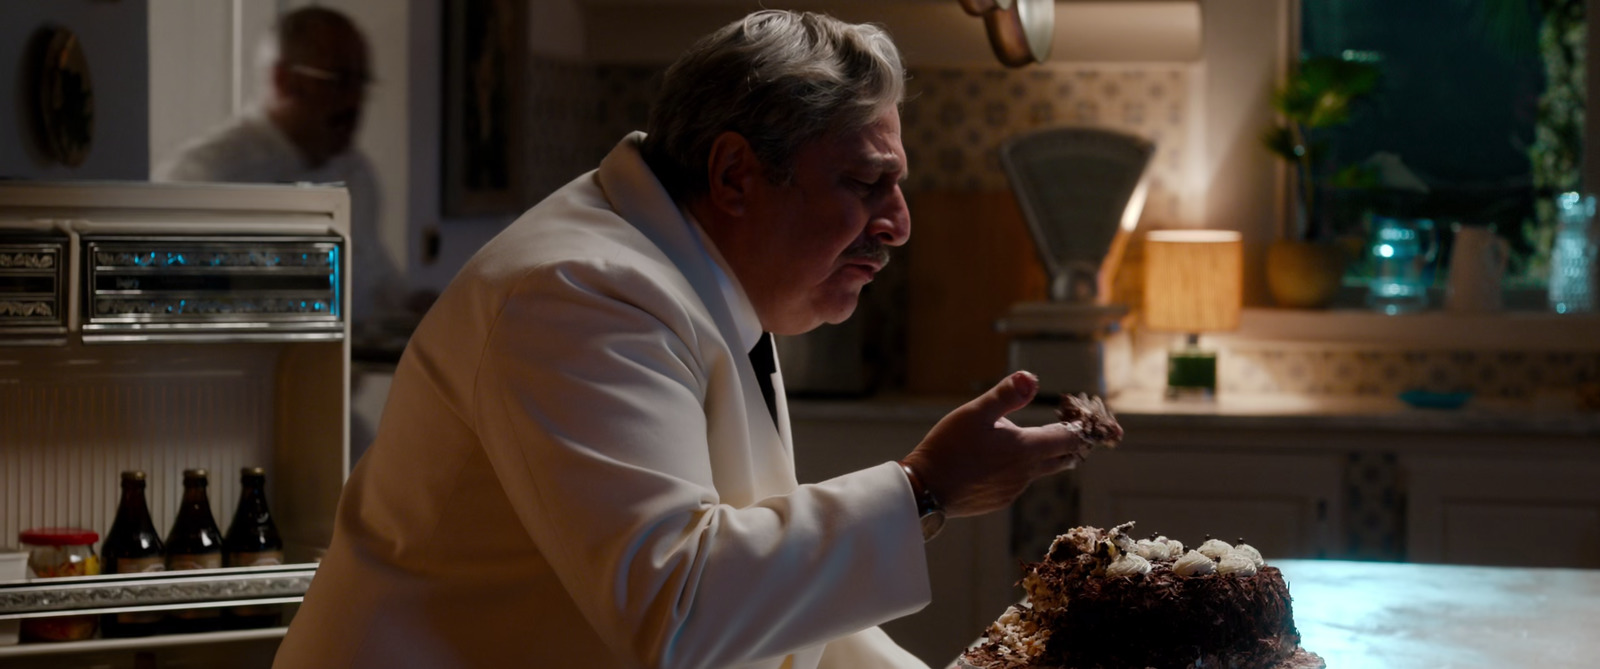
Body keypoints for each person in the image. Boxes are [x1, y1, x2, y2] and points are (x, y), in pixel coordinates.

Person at [274, 10, 1092, 669]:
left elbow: (764, 596)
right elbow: (680, 607)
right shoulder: (579, 293)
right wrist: (923, 487)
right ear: (735, 175)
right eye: (866, 183)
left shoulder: (704, 275)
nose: (899, 225)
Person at [152, 6, 418, 337]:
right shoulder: (206, 175)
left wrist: (423, 308)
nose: (354, 102)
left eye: (361, 83)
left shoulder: (357, 175)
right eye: (337, 81)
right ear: (283, 80)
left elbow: (374, 282)